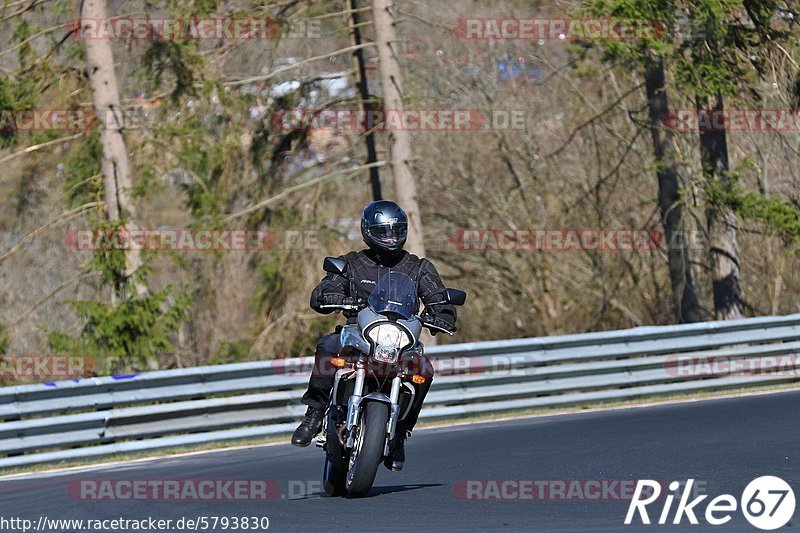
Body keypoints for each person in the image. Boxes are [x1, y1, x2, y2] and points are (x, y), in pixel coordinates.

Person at [291, 200, 457, 471]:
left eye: (396, 231)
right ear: (368, 231)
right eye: (384, 232)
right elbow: (326, 287)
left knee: (424, 370)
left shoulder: (418, 267)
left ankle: (400, 433)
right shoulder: (352, 263)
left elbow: (439, 298)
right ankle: (314, 414)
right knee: (328, 346)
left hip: (401, 339)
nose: (391, 237)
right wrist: (330, 296)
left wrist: (442, 315)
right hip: (358, 333)